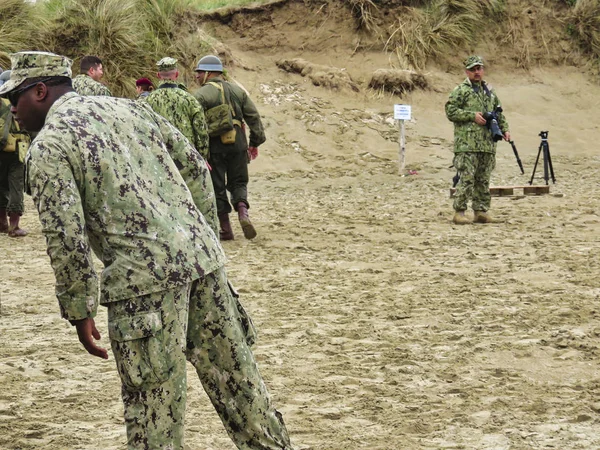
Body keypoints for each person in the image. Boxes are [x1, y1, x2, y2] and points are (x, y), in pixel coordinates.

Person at [1, 51, 293, 450]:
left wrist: (80, 309)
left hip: (143, 290)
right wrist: (200, 236)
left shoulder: (50, 145)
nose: (11, 108)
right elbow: (194, 166)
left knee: (153, 414)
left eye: (14, 97)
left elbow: (65, 238)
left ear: (39, 91)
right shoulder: (128, 109)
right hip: (203, 266)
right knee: (243, 392)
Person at [194, 55, 264, 241]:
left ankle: (226, 230)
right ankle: (243, 214)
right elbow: (253, 117)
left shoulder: (201, 95)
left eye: (199, 72)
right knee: (239, 182)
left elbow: (195, 123)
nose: (197, 76)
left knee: (217, 186)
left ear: (208, 73)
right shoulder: (238, 91)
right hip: (239, 144)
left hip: (215, 147)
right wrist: (254, 143)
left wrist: (198, 149)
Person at [445, 55, 510, 225]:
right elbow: (450, 111)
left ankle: (480, 211)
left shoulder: (490, 92)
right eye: (473, 69)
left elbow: (498, 113)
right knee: (467, 178)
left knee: (483, 178)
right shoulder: (461, 90)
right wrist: (471, 116)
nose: (477, 72)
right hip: (467, 144)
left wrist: (505, 129)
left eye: (479, 68)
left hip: (487, 144)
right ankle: (459, 211)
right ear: (467, 71)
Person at [144, 57, 209, 159]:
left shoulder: (147, 101)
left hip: (161, 157)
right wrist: (203, 157)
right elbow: (201, 131)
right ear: (177, 74)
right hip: (188, 157)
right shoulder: (190, 99)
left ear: (158, 75)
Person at [0, 70, 31, 237]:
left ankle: (2, 223)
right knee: (16, 187)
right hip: (18, 148)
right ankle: (14, 226)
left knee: (1, 185)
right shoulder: (19, 101)